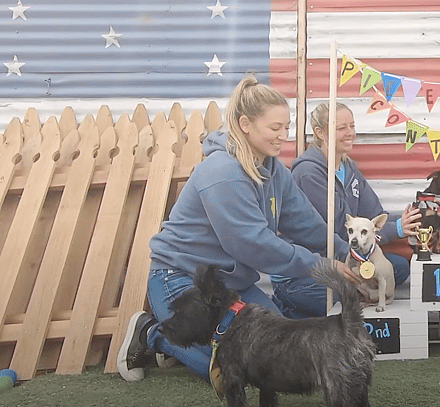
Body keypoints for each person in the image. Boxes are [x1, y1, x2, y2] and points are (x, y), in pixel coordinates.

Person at [116, 76, 356, 382]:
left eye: (287, 126)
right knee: (224, 367)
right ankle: (153, 333)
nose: (284, 135)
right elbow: (253, 244)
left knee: (273, 355)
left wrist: (347, 253)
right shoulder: (222, 173)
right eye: (275, 128)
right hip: (183, 277)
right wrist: (322, 265)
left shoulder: (275, 171)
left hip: (232, 285)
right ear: (245, 124)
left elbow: (306, 224)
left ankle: (181, 344)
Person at [270, 102, 421, 319]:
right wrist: (396, 230)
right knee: (349, 290)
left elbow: (373, 214)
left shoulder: (349, 169)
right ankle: (291, 301)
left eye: (352, 126)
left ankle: (348, 297)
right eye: (341, 128)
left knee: (397, 267)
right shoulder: (308, 172)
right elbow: (340, 233)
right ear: (320, 133)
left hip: (343, 260)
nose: (350, 133)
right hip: (306, 270)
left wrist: (407, 220)